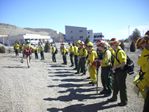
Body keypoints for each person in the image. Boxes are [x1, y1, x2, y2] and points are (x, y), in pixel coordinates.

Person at [107, 38, 128, 106]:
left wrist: (115, 67)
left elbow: (124, 63)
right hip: (117, 71)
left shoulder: (120, 51)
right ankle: (114, 97)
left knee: (121, 87)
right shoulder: (115, 51)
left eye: (111, 44)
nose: (110, 45)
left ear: (115, 44)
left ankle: (124, 101)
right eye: (110, 44)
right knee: (115, 85)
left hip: (121, 71)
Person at [134, 36, 149, 112]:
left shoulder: (146, 53)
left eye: (141, 47)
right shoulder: (145, 53)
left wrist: (140, 85)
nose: (141, 49)